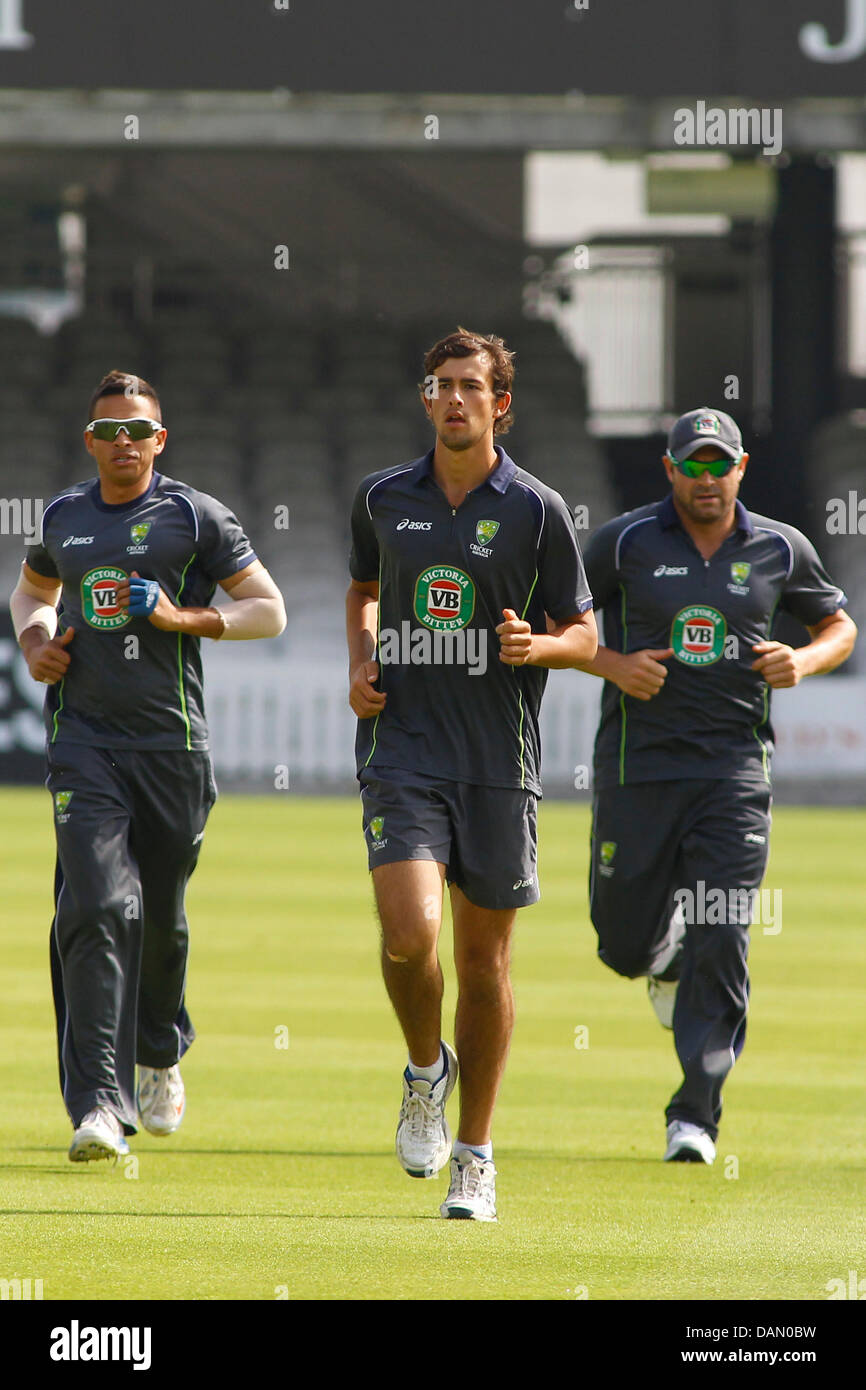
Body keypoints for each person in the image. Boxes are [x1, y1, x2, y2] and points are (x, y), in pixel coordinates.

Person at [346, 327, 597, 1220]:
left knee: (485, 963)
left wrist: (546, 644)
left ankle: (477, 1156)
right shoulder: (382, 496)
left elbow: (586, 632)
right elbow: (363, 588)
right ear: (427, 399)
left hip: (498, 761)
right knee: (411, 934)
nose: (453, 399)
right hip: (403, 749)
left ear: (501, 404)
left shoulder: (537, 508)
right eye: (440, 385)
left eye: (470, 386)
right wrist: (361, 661)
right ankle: (424, 1073)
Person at [10, 370, 286, 1163]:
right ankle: (99, 1102)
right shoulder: (63, 515)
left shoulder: (194, 516)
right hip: (85, 744)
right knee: (95, 907)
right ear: (89, 441)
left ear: (159, 440)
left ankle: (160, 1047)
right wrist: (36, 642)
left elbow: (268, 609)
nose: (122, 444)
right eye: (107, 432)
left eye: (137, 431)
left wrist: (181, 616)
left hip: (172, 748)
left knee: (158, 918)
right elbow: (32, 592)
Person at [577, 407, 856, 1163]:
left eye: (719, 464)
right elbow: (556, 621)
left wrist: (804, 661)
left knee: (725, 932)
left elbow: (838, 626)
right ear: (669, 470)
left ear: (741, 469)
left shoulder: (778, 547)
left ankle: (694, 1114)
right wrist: (611, 663)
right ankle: (659, 957)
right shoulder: (624, 543)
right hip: (638, 767)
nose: (706, 478)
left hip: (734, 773)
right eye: (691, 465)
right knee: (620, 943)